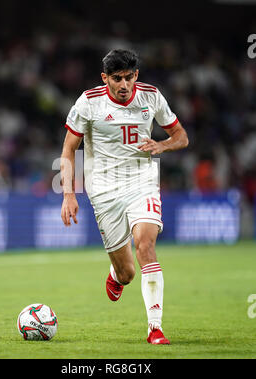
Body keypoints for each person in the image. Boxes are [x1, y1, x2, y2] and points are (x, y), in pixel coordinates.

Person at [60, 49, 189, 345]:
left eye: (129, 78)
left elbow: (181, 136)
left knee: (145, 246)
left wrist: (163, 145)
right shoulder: (89, 102)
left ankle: (154, 328)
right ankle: (117, 276)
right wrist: (69, 194)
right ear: (105, 78)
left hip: (142, 181)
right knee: (128, 272)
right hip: (103, 189)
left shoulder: (151, 97)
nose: (124, 85)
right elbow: (69, 149)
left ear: (136, 76)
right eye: (117, 79)